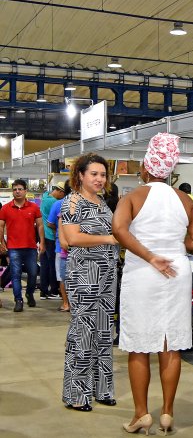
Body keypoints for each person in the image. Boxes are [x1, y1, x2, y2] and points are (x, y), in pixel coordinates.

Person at [113, 133, 193, 435]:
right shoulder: (185, 200)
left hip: (143, 272)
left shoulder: (133, 197)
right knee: (171, 345)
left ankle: (141, 414)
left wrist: (151, 255)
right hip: (176, 271)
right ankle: (167, 412)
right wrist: (174, 246)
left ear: (145, 167)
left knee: (139, 346)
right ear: (170, 171)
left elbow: (118, 229)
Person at [61, 154, 119, 412]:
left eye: (103, 174)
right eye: (93, 174)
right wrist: (111, 239)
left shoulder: (103, 202)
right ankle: (76, 394)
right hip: (84, 274)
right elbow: (72, 238)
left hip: (107, 274)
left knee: (105, 331)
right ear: (81, 175)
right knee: (83, 331)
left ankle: (102, 389)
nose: (99, 179)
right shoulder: (72, 201)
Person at [0, 179, 46, 312]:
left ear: (26, 191)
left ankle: (29, 293)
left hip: (31, 247)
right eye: (15, 189)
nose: (17, 191)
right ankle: (18, 300)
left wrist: (42, 242)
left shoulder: (34, 207)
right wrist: (1, 242)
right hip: (13, 248)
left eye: (20, 189)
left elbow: (40, 225)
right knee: (15, 275)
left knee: (32, 274)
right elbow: (1, 226)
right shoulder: (5, 208)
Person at [47, 180, 72, 312]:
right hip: (79, 246)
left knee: (62, 277)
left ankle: (66, 303)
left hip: (61, 247)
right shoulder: (82, 203)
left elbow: (50, 223)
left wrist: (58, 230)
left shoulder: (58, 204)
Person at [40, 182, 66, 300]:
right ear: (60, 192)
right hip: (51, 236)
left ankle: (43, 291)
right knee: (52, 265)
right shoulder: (54, 202)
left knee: (44, 264)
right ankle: (53, 291)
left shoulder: (45, 197)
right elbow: (53, 222)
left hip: (43, 235)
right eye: (63, 194)